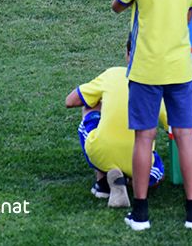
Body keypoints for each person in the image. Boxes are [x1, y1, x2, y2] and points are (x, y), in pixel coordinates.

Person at [111, 0, 192, 231]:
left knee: (144, 137)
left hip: (145, 71)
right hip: (180, 68)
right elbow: (189, 12)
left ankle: (140, 214)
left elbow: (117, 4)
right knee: (185, 136)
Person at [65, 36, 167, 209]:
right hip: (139, 159)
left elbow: (70, 101)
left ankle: (103, 183)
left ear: (128, 54)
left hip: (102, 151)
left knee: (90, 106)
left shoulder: (112, 74)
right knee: (157, 173)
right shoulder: (159, 87)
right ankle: (128, 180)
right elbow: (174, 127)